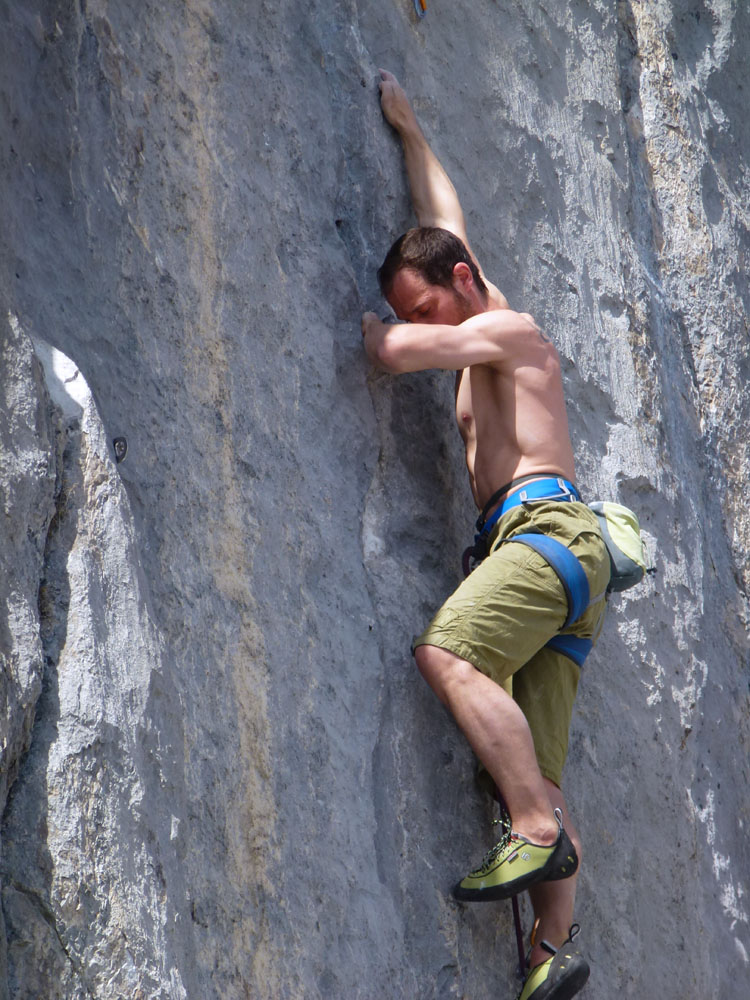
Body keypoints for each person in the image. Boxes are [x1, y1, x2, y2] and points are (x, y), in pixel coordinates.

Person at [361, 70, 611, 1000]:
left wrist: (379, 332)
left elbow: (394, 352)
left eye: (424, 303)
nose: (418, 321)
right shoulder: (479, 295)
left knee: (450, 655)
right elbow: (446, 216)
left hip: (543, 536)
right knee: (536, 764)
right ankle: (552, 953)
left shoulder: (505, 328)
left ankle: (535, 832)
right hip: (557, 559)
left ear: (460, 285)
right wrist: (410, 127)